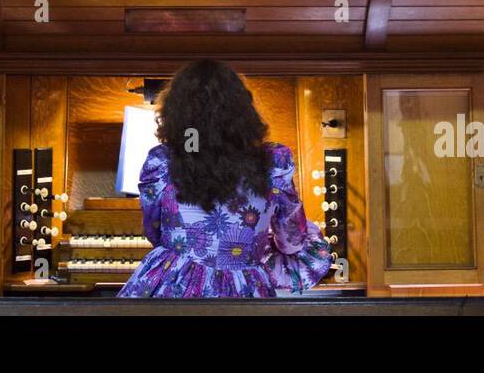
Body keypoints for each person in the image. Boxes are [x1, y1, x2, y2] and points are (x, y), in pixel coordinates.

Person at [117, 59, 332, 298]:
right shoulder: (274, 163)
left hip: (172, 283)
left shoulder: (162, 161)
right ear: (243, 112)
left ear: (175, 113)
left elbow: (154, 232)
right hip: (245, 287)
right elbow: (292, 241)